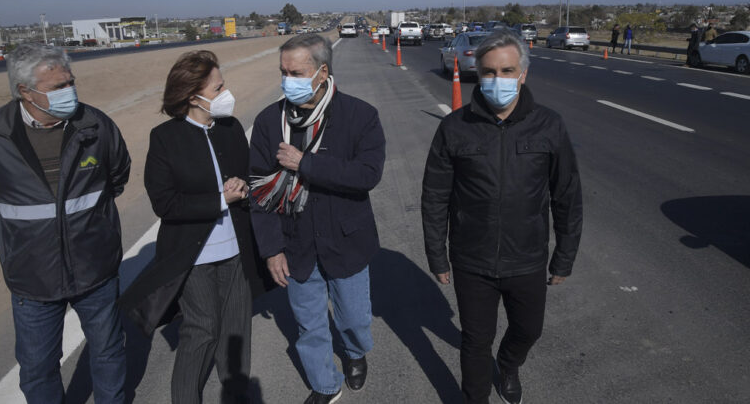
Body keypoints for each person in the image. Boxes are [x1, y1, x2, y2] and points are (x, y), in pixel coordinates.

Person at [422, 29, 583, 404]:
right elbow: (435, 196)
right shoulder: (454, 128)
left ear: (523, 74)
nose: (498, 80)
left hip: (526, 258)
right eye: (490, 71)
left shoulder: (549, 125)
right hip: (471, 259)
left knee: (528, 330)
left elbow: (567, 196)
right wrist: (437, 255)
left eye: (507, 71)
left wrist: (565, 256)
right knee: (475, 341)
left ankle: (508, 365)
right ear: (477, 71)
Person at [119, 50, 270, 404]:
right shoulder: (165, 138)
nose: (225, 94)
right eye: (218, 89)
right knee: (201, 331)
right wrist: (220, 200)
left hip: (236, 252)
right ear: (193, 96)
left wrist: (243, 190)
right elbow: (165, 204)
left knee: (236, 336)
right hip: (194, 255)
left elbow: (248, 180)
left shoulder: (231, 129)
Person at [0, 44, 130, 403]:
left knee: (109, 353)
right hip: (32, 277)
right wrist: (25, 235)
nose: (69, 92)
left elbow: (117, 176)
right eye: (57, 87)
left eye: (70, 82)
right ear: (24, 92)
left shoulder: (94, 125)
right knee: (37, 367)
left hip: (95, 268)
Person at [249, 33, 386, 404]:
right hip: (296, 244)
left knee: (355, 319)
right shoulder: (268, 122)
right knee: (310, 325)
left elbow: (367, 175)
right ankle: (326, 384)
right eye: (282, 72)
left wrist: (305, 164)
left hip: (346, 239)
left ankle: (355, 353)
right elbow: (259, 190)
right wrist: (272, 248)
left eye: (295, 72)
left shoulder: (360, 116)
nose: (286, 79)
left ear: (322, 72)